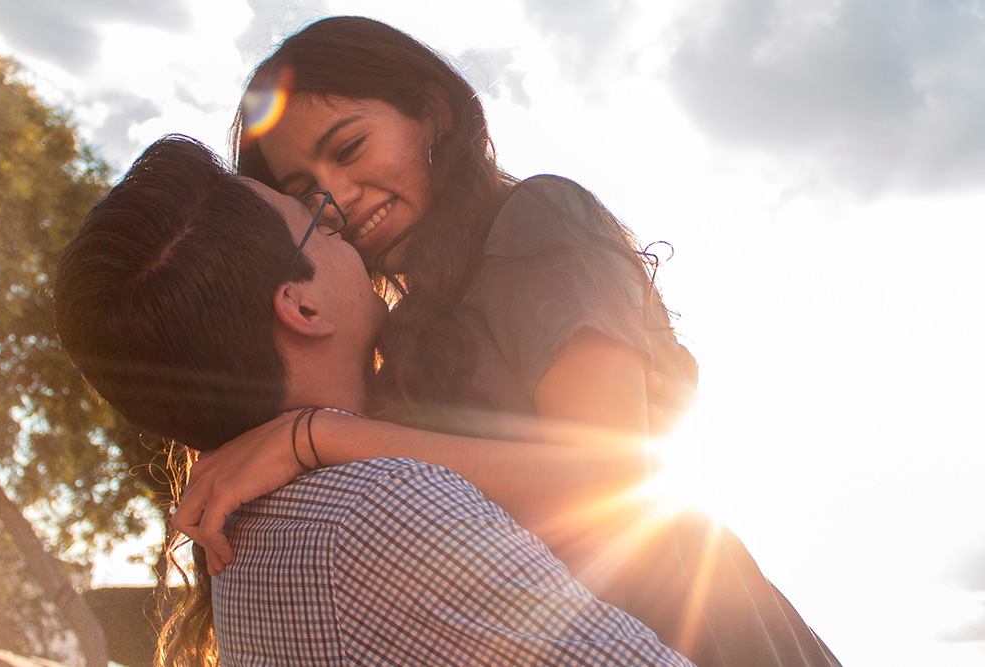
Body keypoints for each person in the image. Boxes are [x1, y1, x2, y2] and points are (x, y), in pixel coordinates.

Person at [173, 16, 841, 667]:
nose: (339, 198)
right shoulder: (405, 324)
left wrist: (317, 436)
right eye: (306, 193)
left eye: (350, 149)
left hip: (700, 631)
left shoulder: (538, 219)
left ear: (432, 115)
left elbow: (608, 484)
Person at [54, 135, 697, 667]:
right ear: (302, 308)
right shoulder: (381, 509)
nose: (342, 227)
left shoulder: (252, 536)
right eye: (317, 227)